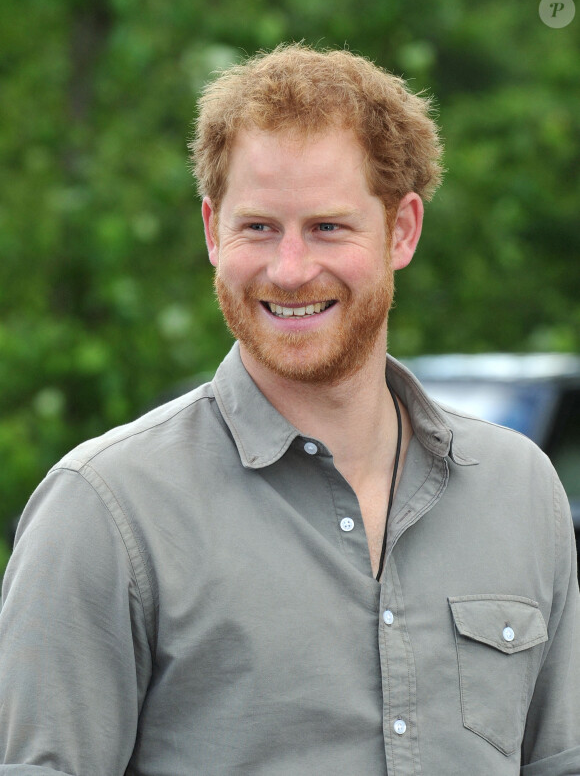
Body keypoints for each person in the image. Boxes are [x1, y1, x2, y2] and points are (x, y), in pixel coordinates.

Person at [0, 43, 579, 776]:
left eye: (328, 227)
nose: (291, 269)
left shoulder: (520, 490)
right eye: (259, 227)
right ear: (212, 230)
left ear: (402, 230)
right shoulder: (105, 511)